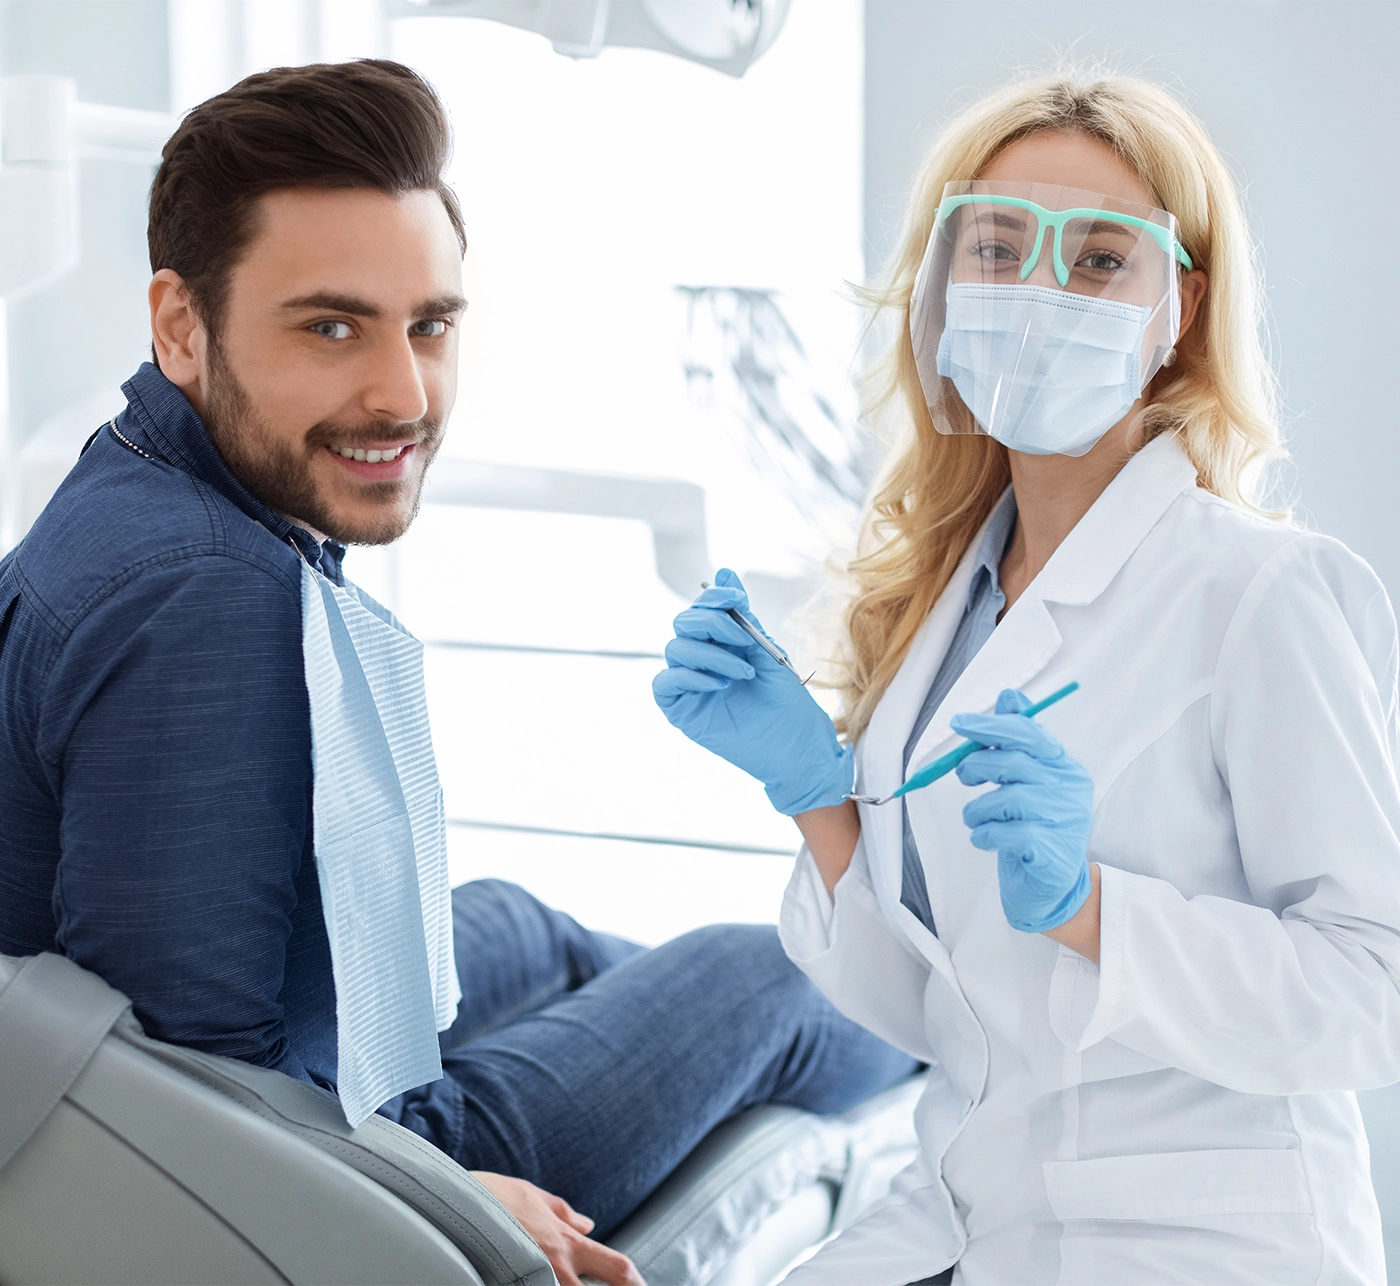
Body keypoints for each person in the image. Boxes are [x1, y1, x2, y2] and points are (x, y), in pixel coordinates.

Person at [0, 59, 918, 1286]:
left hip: (268, 1076)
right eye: (330, 326)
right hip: (330, 1164)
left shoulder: (137, 479)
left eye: (427, 324)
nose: (403, 393)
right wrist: (456, 1191)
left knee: (524, 927)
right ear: (180, 322)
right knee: (770, 970)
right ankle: (962, 1048)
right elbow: (197, 1110)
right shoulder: (202, 593)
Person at [655, 71, 1400, 1284]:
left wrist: (1087, 907)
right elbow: (938, 1014)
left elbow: (1374, 992)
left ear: (1179, 309)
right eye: (995, 248)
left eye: (1100, 261)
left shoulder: (1262, 592)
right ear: (943, 285)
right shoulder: (948, 597)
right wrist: (815, 795)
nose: (1039, 292)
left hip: (1210, 1242)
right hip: (974, 1214)